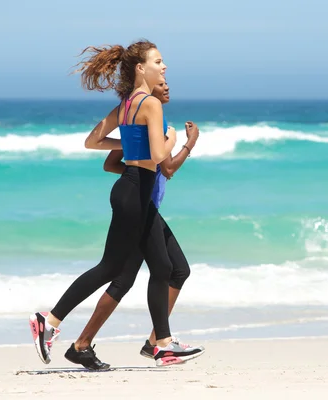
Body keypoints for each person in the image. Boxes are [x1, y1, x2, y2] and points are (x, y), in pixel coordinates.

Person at [28, 40, 203, 370]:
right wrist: (176, 140)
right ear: (141, 68)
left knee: (165, 268)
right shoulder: (150, 103)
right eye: (158, 62)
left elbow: (91, 141)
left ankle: (162, 344)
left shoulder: (126, 104)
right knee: (111, 268)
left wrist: (129, 141)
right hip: (135, 192)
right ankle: (48, 320)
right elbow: (159, 156)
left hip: (132, 190)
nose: (164, 67)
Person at [102, 80, 200, 359]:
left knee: (171, 271)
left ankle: (156, 341)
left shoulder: (145, 121)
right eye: (161, 84)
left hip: (147, 206)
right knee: (126, 278)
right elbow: (167, 168)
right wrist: (189, 143)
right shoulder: (153, 120)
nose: (167, 87)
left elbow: (111, 164)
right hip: (142, 208)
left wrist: (136, 174)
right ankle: (82, 343)